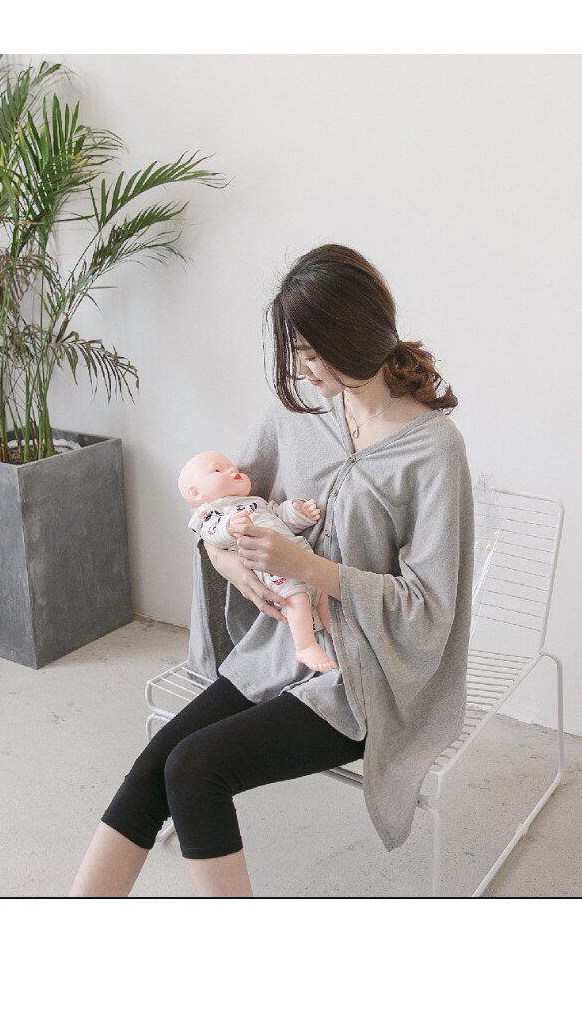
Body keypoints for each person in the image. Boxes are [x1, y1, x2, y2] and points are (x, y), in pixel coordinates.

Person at [69, 243, 474, 897]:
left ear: (357, 337)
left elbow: (431, 605)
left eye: (313, 353)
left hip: (362, 681)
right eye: (296, 353)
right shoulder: (295, 415)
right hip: (276, 652)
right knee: (155, 764)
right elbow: (218, 515)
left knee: (195, 769)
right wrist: (231, 563)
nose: (302, 370)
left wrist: (310, 568)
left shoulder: (433, 449)